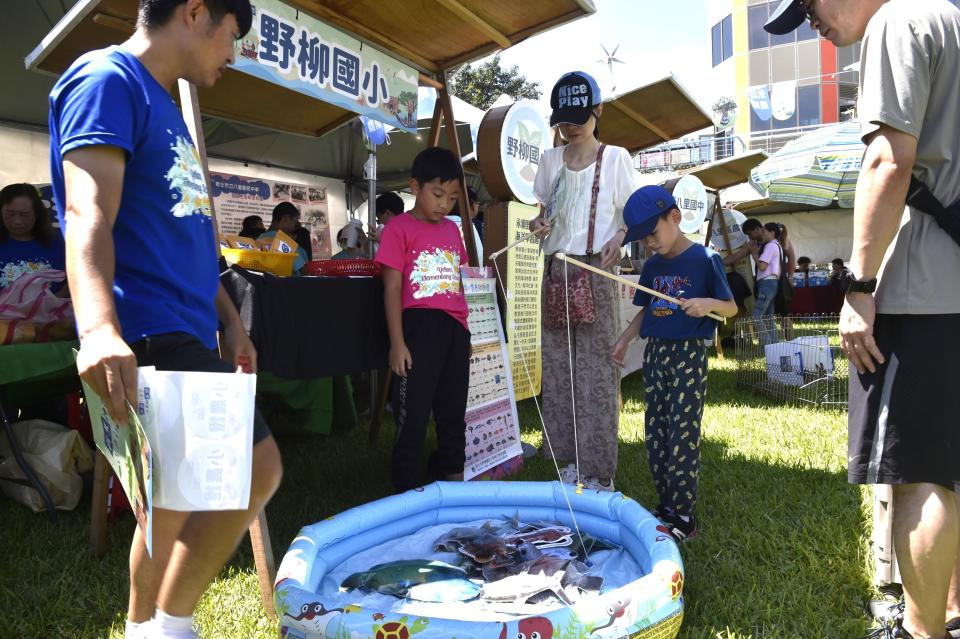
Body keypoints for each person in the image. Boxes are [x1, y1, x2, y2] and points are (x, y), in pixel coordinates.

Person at [47, 2, 283, 638]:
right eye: (232, 37)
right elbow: (87, 209)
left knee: (174, 505)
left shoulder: (166, 108)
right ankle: (171, 627)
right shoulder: (106, 79)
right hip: (144, 326)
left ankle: (147, 627)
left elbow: (189, 237)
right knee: (254, 469)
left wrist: (231, 322)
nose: (232, 54)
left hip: (187, 324)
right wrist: (97, 327)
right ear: (197, 12)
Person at [766, 1, 960, 638]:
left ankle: (921, 632)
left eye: (811, 5)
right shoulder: (948, 18)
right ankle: (950, 614)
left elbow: (888, 161)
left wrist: (860, 284)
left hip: (921, 282)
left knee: (917, 475)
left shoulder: (897, 23)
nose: (810, 21)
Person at [528, 71, 638, 491]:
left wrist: (620, 237)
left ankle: (598, 471)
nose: (570, 128)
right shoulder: (550, 160)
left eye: (577, 118)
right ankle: (565, 463)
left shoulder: (616, 158)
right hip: (556, 269)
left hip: (595, 271)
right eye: (563, 121)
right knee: (558, 367)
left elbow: (631, 215)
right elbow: (545, 212)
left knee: (597, 369)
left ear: (598, 111)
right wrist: (540, 224)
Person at [611, 185, 736, 541]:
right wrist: (624, 339)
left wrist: (705, 302)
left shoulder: (705, 258)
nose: (650, 242)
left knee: (682, 435)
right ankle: (665, 507)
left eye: (653, 232)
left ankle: (683, 516)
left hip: (688, 355)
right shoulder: (652, 265)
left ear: (675, 217)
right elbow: (646, 309)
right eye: (643, 238)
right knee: (657, 433)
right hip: (657, 354)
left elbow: (730, 308)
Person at [374, 147, 470, 493]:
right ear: (415, 187)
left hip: (456, 331)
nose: (445, 204)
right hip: (418, 328)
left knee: (453, 412)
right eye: (438, 194)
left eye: (453, 197)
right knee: (413, 414)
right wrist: (397, 343)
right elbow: (392, 287)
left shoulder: (452, 231)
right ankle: (405, 490)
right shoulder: (398, 228)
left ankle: (455, 483)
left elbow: (458, 282)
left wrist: (465, 333)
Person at [0, 183, 67, 295]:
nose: (17, 221)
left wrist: (51, 303)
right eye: (10, 214)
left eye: (24, 215)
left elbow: (76, 281)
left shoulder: (59, 244)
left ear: (37, 214)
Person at [752, 222, 783, 343]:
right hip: (773, 284)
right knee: (769, 318)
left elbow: (762, 267)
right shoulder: (777, 245)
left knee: (756, 316)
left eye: (764, 231)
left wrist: (755, 255)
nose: (762, 234)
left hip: (766, 284)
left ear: (772, 233)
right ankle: (774, 346)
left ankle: (766, 345)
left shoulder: (770, 246)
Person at [259, 201, 308, 274]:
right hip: (289, 284)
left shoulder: (259, 239)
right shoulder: (283, 241)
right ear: (285, 218)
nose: (294, 226)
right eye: (294, 222)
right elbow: (303, 270)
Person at [447, 185, 483, 261]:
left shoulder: (437, 222)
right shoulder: (472, 224)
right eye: (477, 204)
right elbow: (479, 256)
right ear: (473, 205)